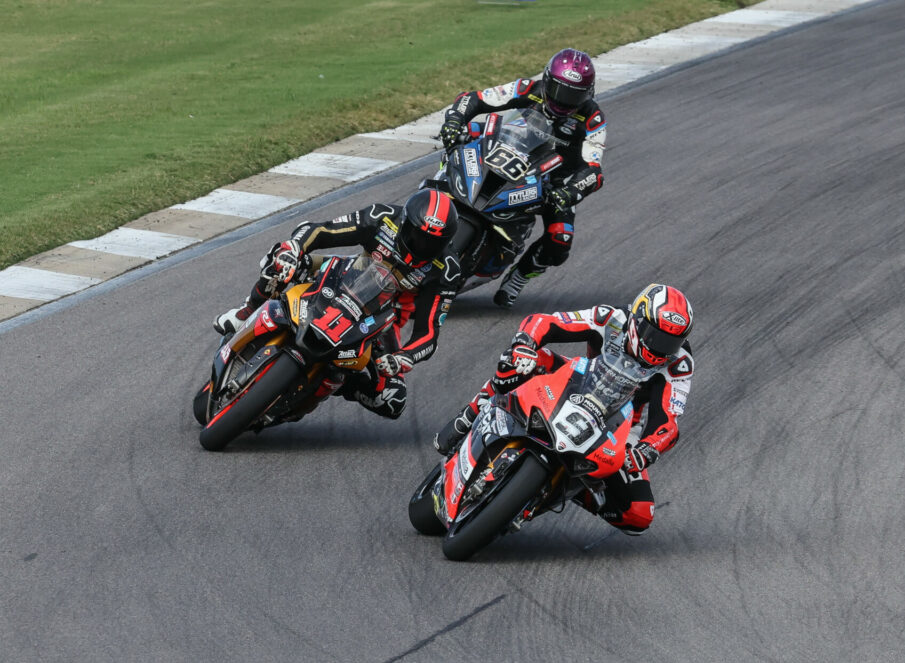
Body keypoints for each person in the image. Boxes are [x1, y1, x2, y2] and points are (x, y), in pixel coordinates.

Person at [433, 283, 694, 535]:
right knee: (527, 361)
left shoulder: (679, 363)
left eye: (670, 342)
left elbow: (667, 421)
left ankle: (577, 486)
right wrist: (525, 343)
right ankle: (470, 415)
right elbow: (547, 322)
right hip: (579, 382)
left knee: (639, 514)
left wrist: (647, 449)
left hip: (621, 426)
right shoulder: (611, 318)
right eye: (654, 336)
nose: (659, 349)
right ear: (637, 321)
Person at [214, 188, 461, 420]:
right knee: (281, 262)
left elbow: (428, 333)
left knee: (392, 401)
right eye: (418, 237)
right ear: (406, 223)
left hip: (384, 321)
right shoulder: (383, 217)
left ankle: (340, 380)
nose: (423, 246)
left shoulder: (447, 270)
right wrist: (295, 248)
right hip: (345, 275)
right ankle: (246, 312)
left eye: (432, 243)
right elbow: (321, 230)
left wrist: (404, 357)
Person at [438, 48, 607, 308]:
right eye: (560, 92)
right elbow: (475, 98)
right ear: (548, 81)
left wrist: (570, 191)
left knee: (560, 240)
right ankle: (437, 186)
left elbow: (594, 169)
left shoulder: (593, 118)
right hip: (509, 147)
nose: (564, 102)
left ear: (588, 92)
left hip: (554, 180)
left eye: (575, 95)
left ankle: (518, 277)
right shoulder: (528, 88)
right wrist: (454, 120)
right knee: (466, 133)